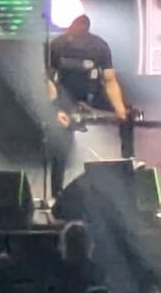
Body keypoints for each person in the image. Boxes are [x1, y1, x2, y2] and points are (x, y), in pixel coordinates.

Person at [44, 14, 134, 197]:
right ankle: (57, 190)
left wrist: (120, 109)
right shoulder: (57, 45)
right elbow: (48, 79)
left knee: (128, 114)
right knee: (60, 132)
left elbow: (109, 80)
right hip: (66, 94)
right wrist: (55, 108)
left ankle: (129, 161)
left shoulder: (99, 46)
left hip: (92, 93)